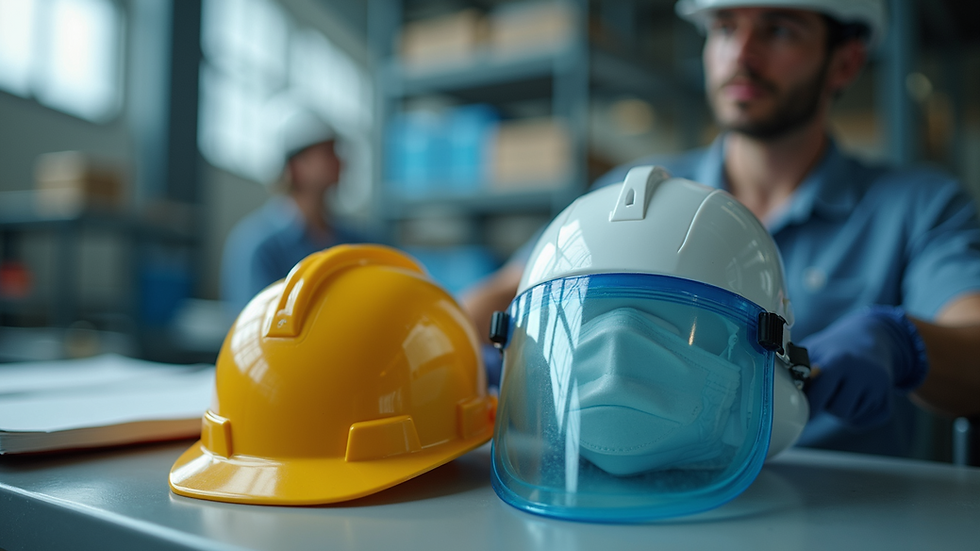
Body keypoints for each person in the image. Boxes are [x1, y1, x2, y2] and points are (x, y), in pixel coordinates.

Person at [461, 0, 980, 457]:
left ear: (844, 62)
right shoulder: (636, 193)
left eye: (779, 30)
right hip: (641, 490)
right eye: (726, 28)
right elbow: (493, 301)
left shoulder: (919, 206)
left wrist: (901, 343)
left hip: (839, 508)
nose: (742, 54)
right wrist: (473, 358)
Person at [221, 108, 366, 313]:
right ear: (296, 166)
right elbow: (254, 334)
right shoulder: (258, 246)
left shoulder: (357, 241)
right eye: (328, 152)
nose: (341, 162)